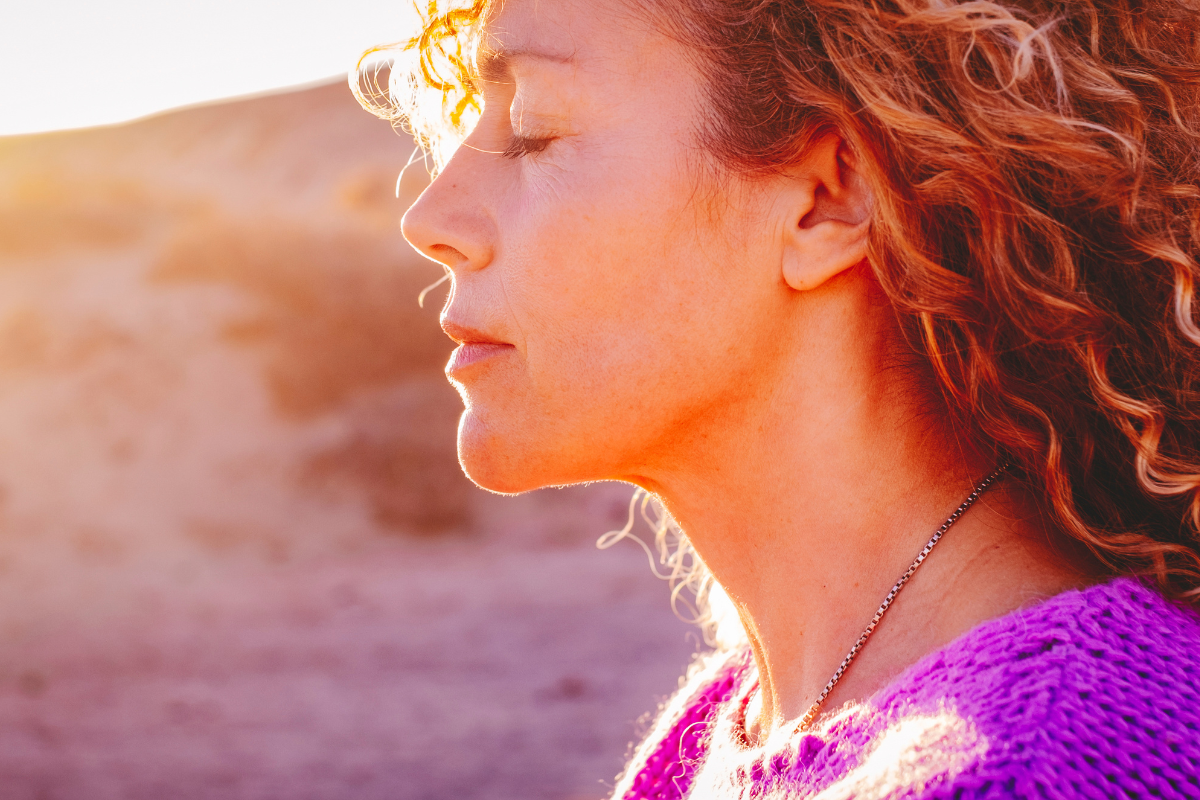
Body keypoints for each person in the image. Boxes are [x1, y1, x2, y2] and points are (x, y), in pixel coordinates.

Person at [355, 0, 1200, 796]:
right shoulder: (730, 724)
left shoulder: (1033, 764)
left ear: (829, 200)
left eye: (533, 128)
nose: (430, 216)